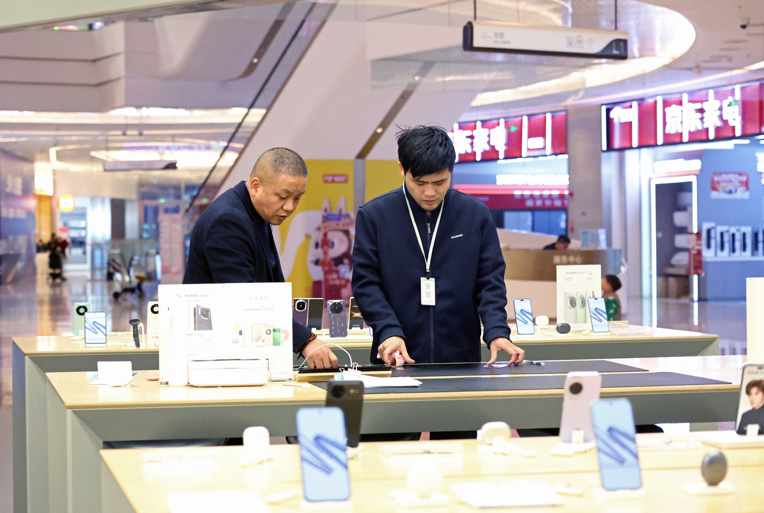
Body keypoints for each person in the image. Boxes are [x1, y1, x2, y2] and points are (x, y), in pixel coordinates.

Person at [352, 125, 524, 368]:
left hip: (462, 358)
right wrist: (388, 330)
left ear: (451, 171)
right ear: (402, 169)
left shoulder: (474, 214)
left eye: (440, 182)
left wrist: (496, 330)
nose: (430, 192)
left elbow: (490, 281)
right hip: (396, 355)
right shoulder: (375, 216)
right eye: (420, 182)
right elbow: (366, 283)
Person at [183, 147, 338, 368]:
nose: (290, 207)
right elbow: (244, 300)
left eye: (297, 198)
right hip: (216, 358)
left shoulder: (254, 214)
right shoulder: (228, 220)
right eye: (282, 197)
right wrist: (305, 340)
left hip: (242, 348)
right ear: (255, 186)